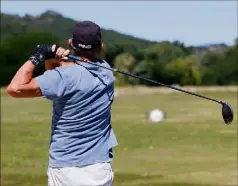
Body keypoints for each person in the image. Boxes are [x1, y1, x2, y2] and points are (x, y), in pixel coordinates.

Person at [7, 21, 118, 186]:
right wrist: (52, 61)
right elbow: (63, 76)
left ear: (70, 43)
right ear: (101, 46)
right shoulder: (105, 71)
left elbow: (14, 89)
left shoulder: (64, 77)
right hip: (99, 167)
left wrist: (36, 57)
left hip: (67, 167)